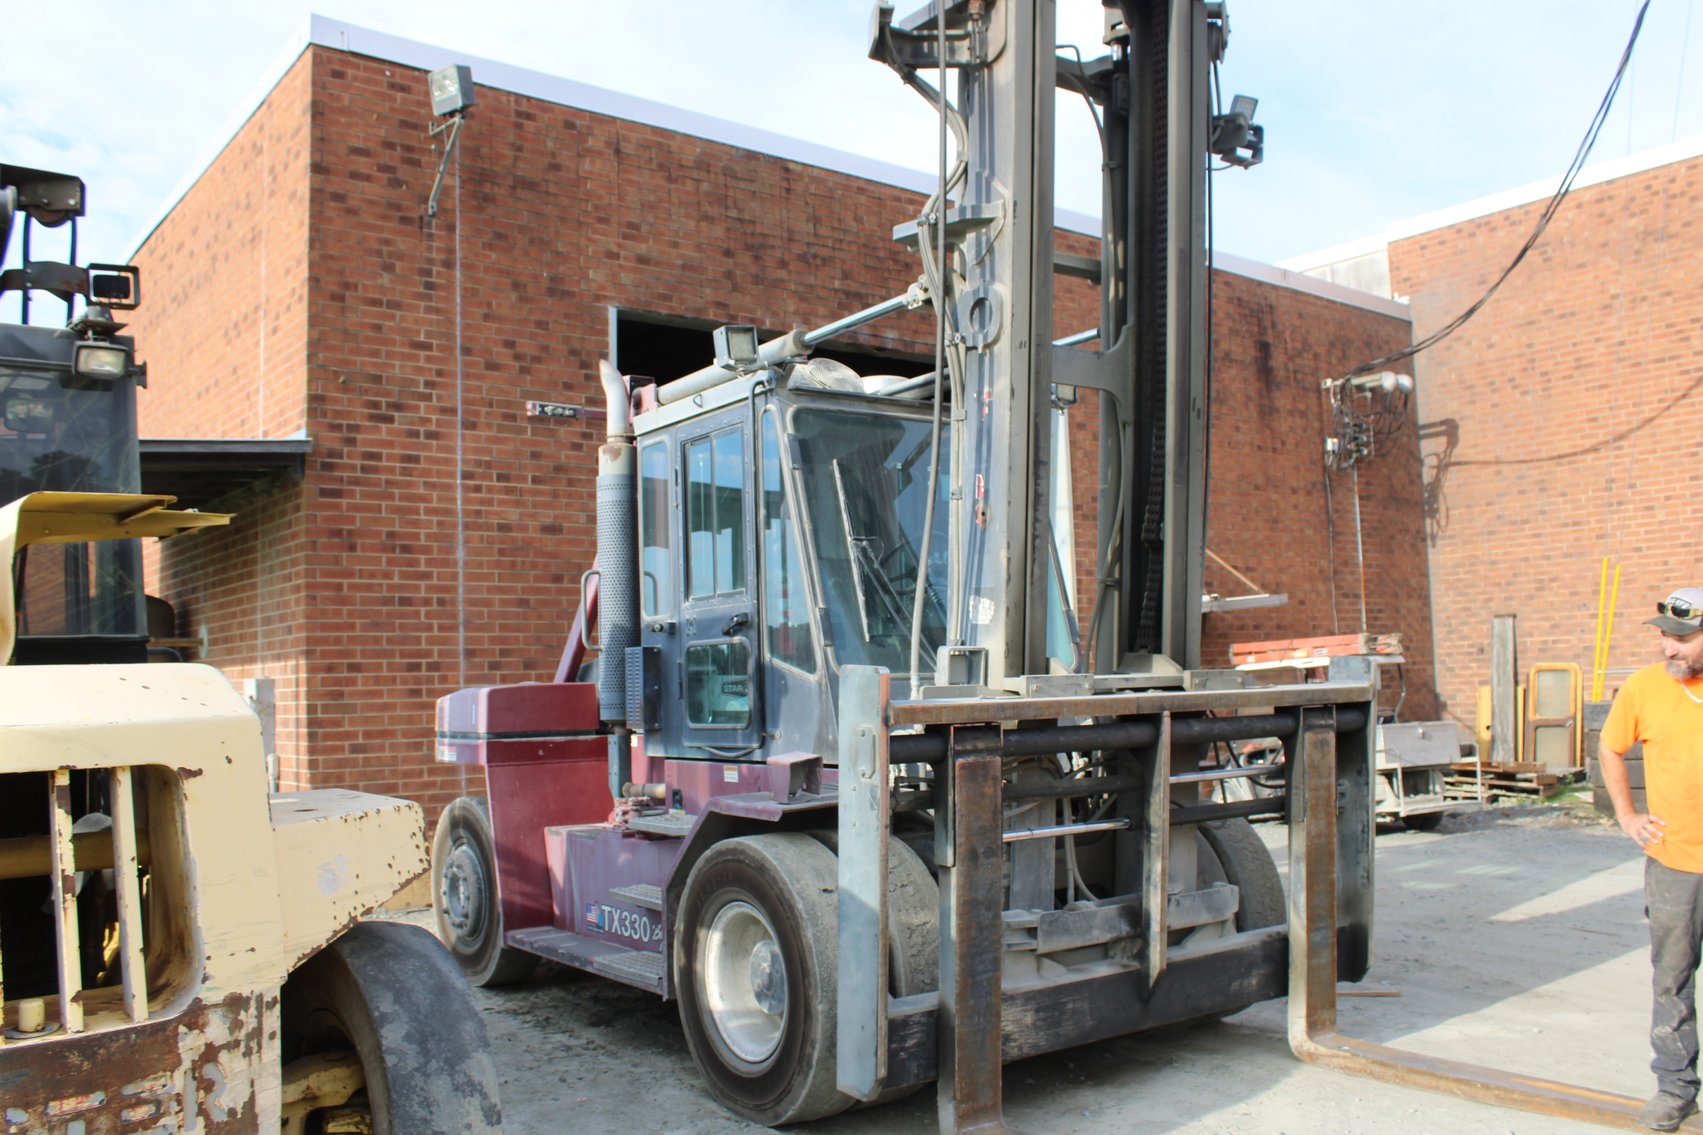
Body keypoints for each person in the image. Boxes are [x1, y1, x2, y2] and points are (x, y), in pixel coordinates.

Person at [1601, 586, 1703, 1131]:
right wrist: (1627, 814)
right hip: (1674, 862)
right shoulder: (1643, 688)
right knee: (1672, 977)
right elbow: (1611, 747)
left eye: (1683, 638)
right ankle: (1676, 1087)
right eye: (1665, 635)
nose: (1670, 648)